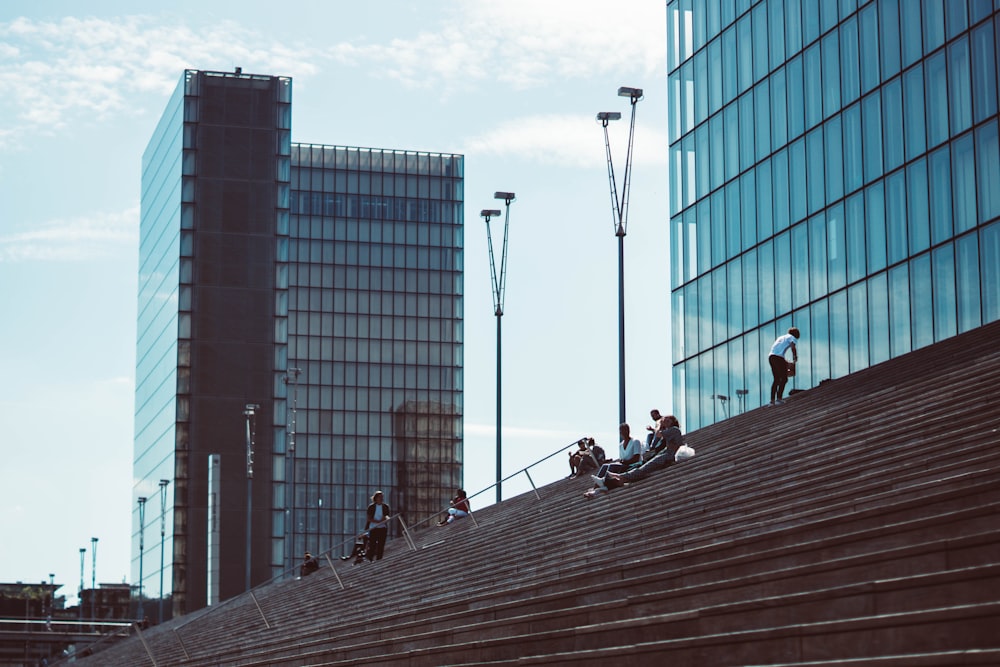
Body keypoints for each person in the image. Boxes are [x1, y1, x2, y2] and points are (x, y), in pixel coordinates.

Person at [586, 416, 685, 497]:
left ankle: (610, 481)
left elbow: (658, 434)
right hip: (665, 454)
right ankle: (602, 485)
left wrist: (659, 424)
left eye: (668, 420)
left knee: (641, 469)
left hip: (669, 456)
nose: (665, 422)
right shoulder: (670, 432)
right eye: (665, 420)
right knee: (612, 467)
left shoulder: (674, 430)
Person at [768, 327, 800, 405]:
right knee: (784, 379)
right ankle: (779, 399)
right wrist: (795, 357)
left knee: (776, 379)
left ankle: (772, 401)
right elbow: (793, 347)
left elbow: (777, 352)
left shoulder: (781, 337)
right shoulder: (792, 337)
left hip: (771, 357)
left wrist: (785, 363)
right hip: (778, 358)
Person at [365, 490, 391, 561]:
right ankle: (370, 559)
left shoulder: (385, 506)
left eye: (382, 497)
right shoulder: (371, 507)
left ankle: (379, 559)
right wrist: (377, 521)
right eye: (379, 497)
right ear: (376, 498)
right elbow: (369, 518)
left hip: (382, 528)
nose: (381, 498)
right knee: (372, 544)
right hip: (373, 528)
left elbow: (387, 515)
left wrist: (385, 519)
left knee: (381, 545)